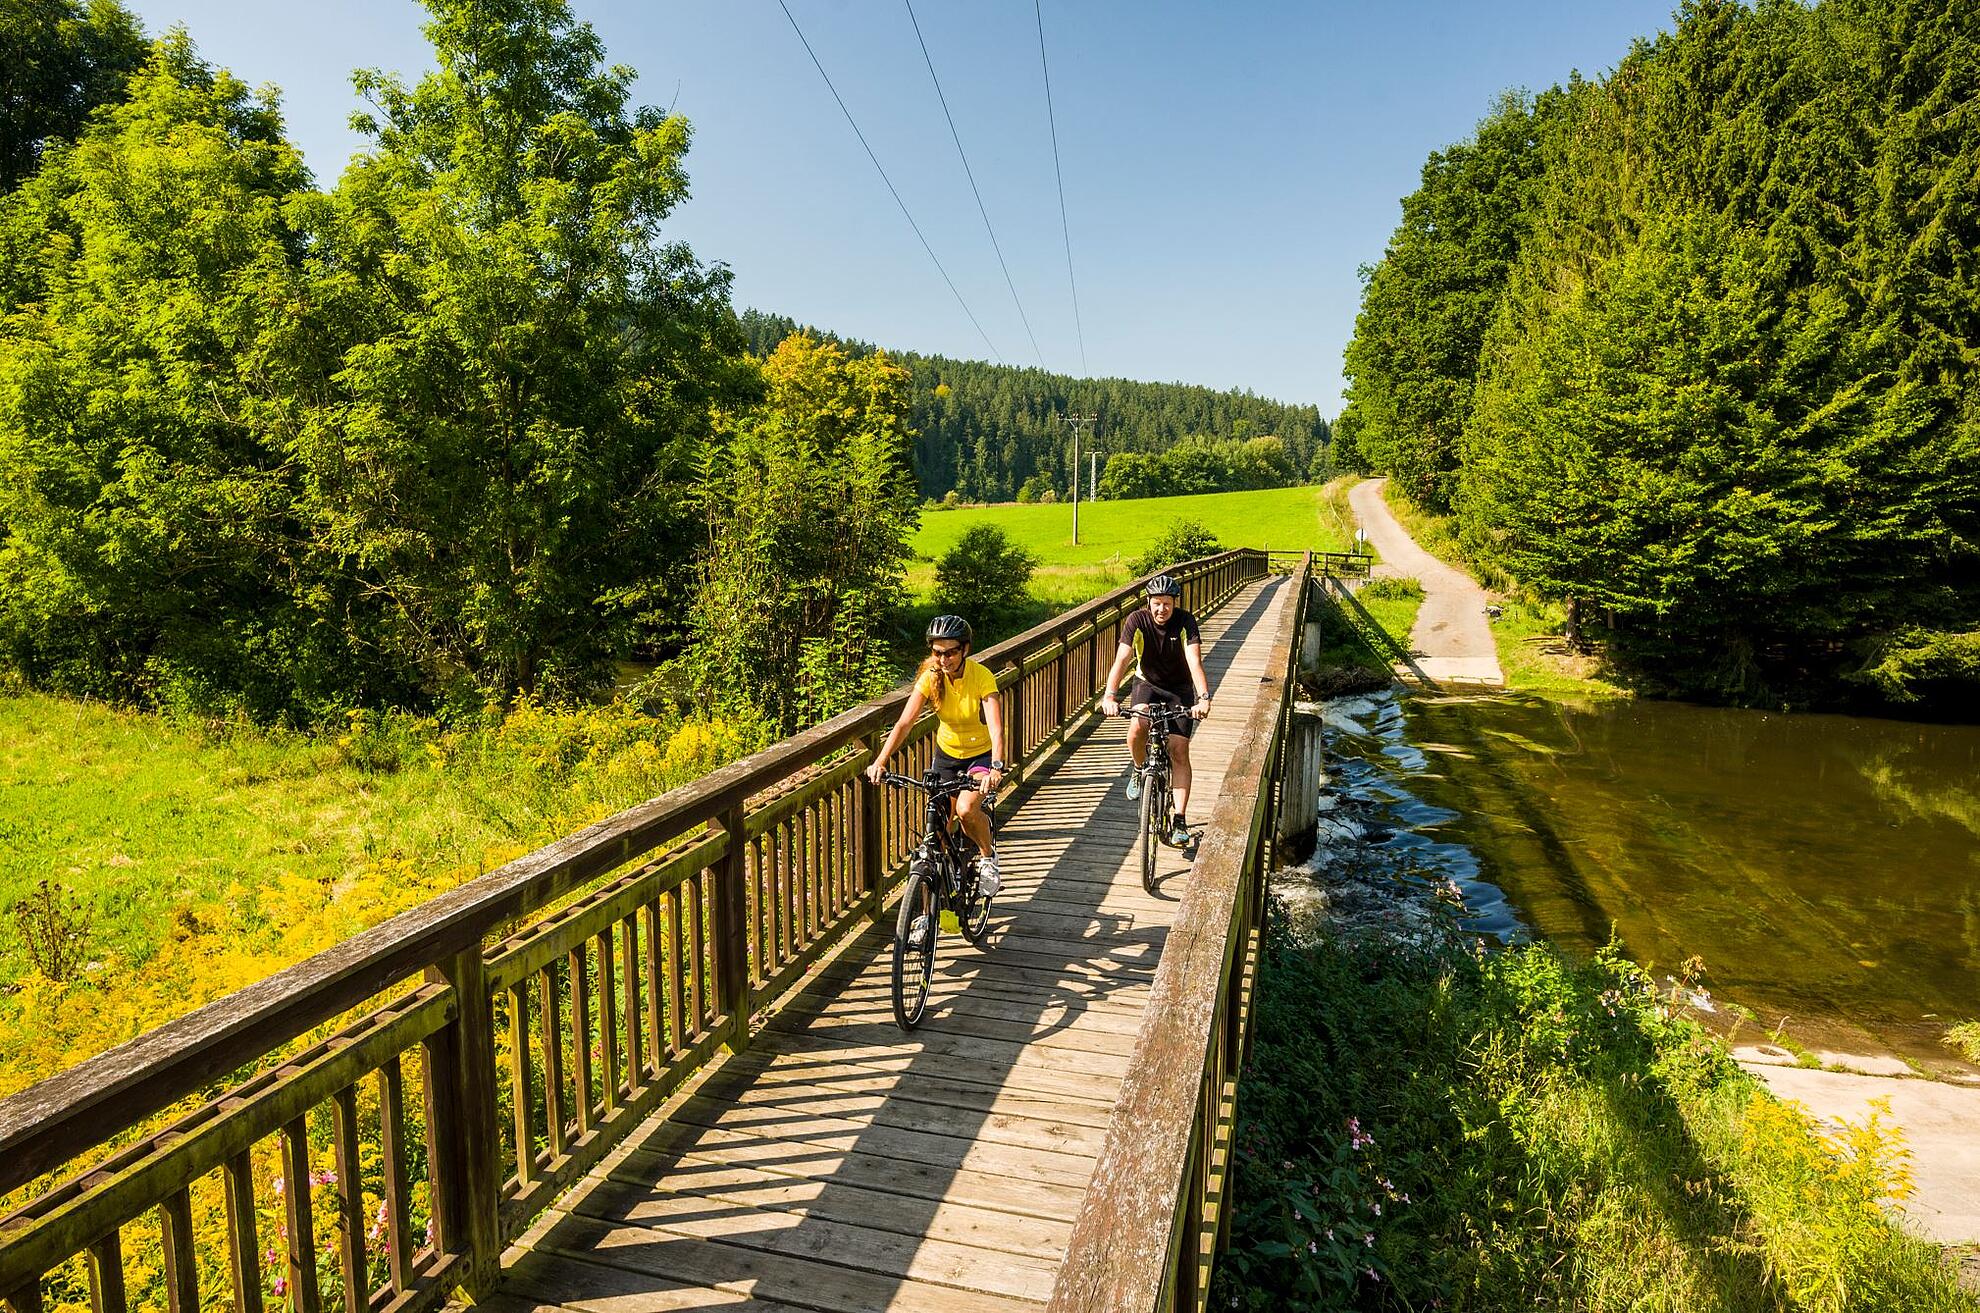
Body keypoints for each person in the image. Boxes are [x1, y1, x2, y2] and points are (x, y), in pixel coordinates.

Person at [865, 614, 1007, 897]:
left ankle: (988, 857)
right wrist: (881, 760)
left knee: (966, 810)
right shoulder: (930, 678)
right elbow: (905, 722)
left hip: (979, 757)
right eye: (938, 652)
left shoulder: (981, 676)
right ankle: (931, 910)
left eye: (951, 652)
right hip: (946, 756)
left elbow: (996, 727)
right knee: (937, 832)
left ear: (965, 649)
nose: (945, 659)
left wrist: (996, 767)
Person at [1099, 574, 1211, 847]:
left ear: (1175, 603)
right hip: (1147, 683)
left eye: (1167, 604)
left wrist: (1204, 698)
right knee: (1138, 723)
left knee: (1178, 750)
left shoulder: (1186, 622)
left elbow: (1194, 662)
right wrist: (1110, 695)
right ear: (1148, 602)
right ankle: (1139, 769)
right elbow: (1122, 659)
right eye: (1157, 603)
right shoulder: (1137, 620)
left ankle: (1180, 820)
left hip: (1179, 689)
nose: (1162, 609)